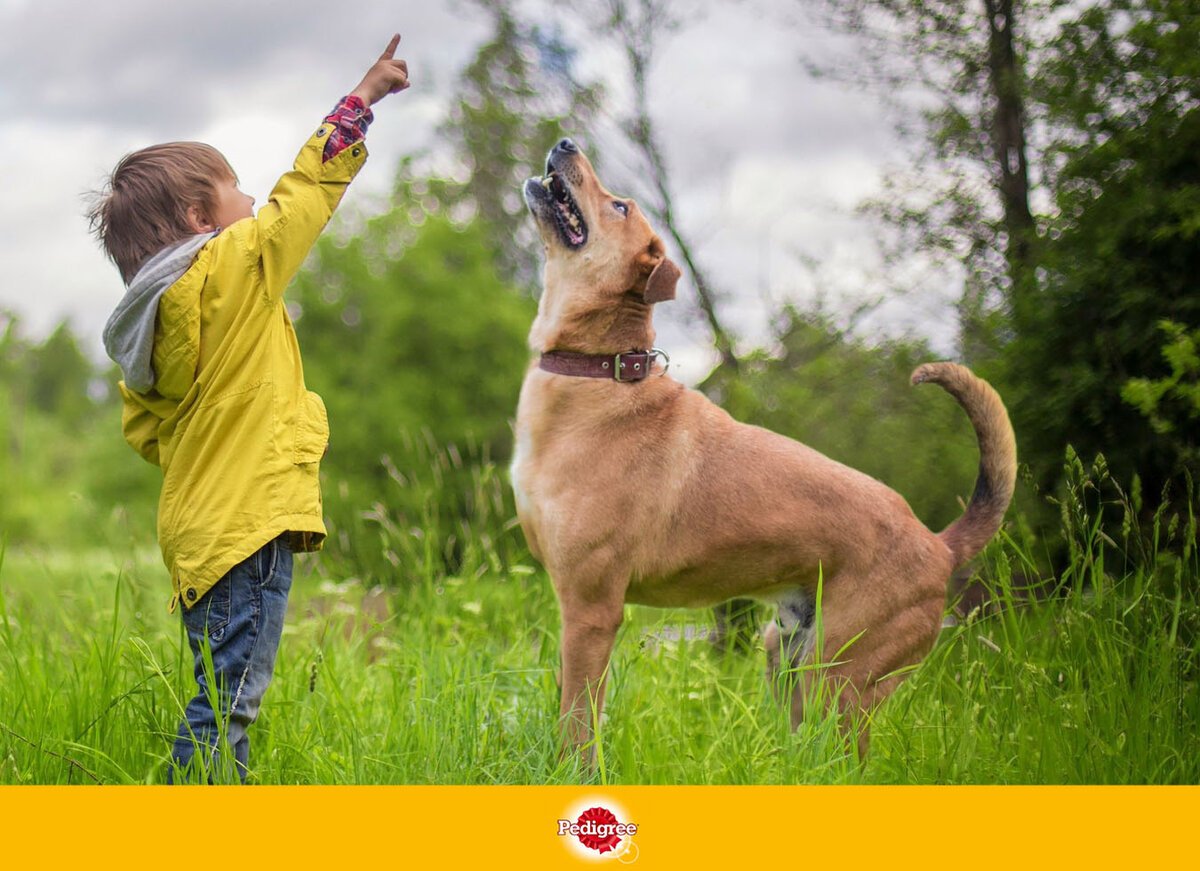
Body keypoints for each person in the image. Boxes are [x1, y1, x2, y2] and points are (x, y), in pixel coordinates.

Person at [87, 34, 410, 783]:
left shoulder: (148, 327)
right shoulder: (229, 267)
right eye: (239, 193)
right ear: (204, 217)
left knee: (216, 692)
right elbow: (305, 195)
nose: (255, 203)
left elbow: (148, 434)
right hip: (249, 527)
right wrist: (359, 101)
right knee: (226, 704)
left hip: (198, 537)